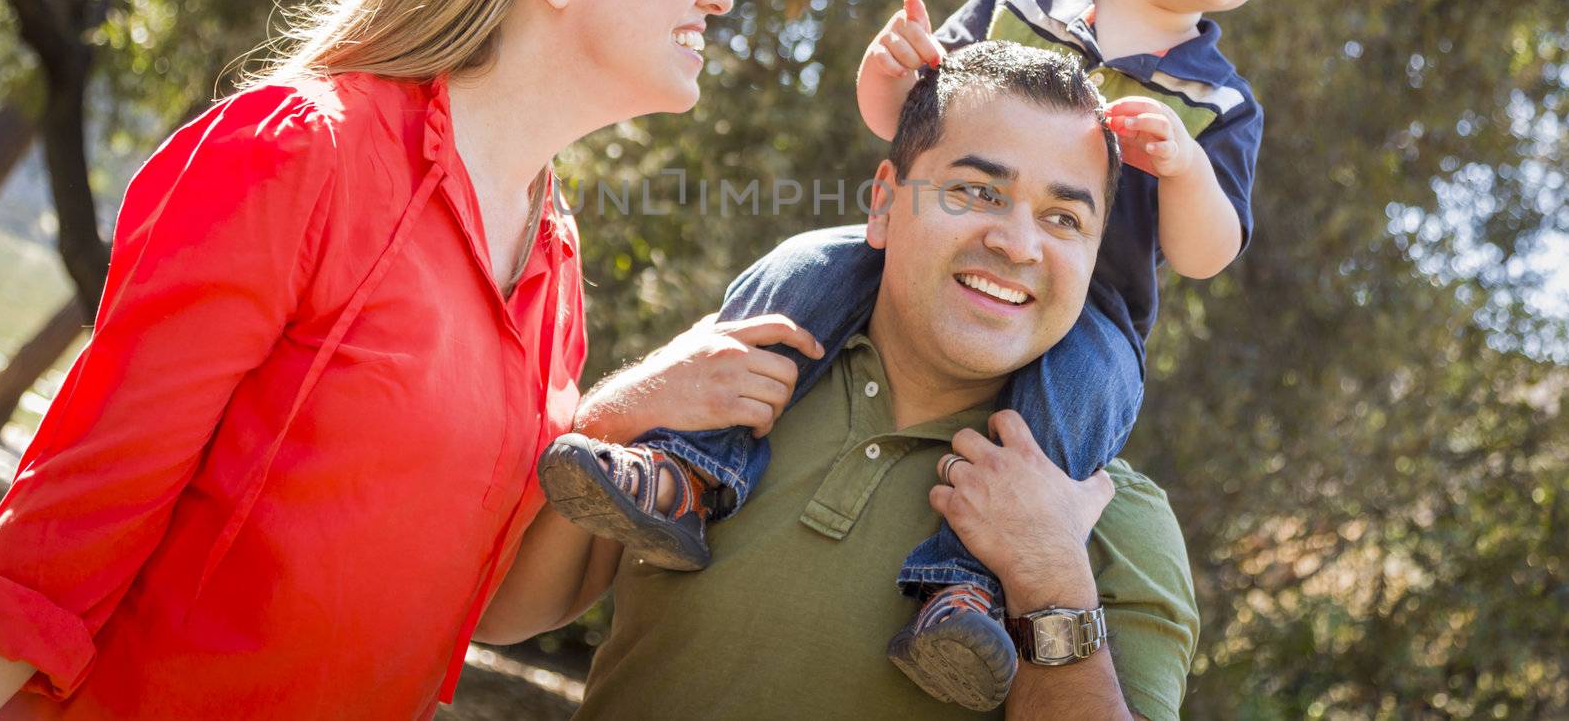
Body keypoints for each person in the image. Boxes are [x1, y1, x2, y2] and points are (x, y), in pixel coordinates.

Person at [0, 0, 824, 720]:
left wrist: (626, 413)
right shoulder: (302, 150)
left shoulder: (553, 256)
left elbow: (497, 608)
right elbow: (76, 513)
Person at [537, 0, 1294, 709]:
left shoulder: (1218, 100)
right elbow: (905, 124)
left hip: (1093, 322)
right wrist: (885, 70)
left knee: (1081, 399)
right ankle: (693, 473)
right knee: (805, 262)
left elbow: (1208, 251)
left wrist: (1181, 168)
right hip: (861, 276)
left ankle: (962, 588)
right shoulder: (1018, 6)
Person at [492, 43, 1199, 721]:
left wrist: (1051, 581)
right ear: (886, 202)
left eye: (1063, 218)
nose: (1018, 244)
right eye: (977, 191)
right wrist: (613, 414)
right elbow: (504, 616)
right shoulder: (718, 392)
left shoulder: (1109, 514)